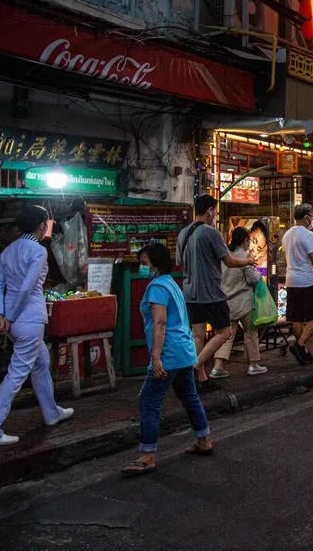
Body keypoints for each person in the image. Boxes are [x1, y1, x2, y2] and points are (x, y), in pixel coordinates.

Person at [0, 205, 73, 447]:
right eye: (47, 224)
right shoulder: (38, 251)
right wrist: (8, 316)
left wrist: (1, 314)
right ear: (41, 225)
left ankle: (51, 412)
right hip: (29, 319)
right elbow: (27, 288)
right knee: (16, 376)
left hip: (13, 322)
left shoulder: (8, 251)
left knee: (40, 362)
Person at [123, 243, 212, 475]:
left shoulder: (157, 288)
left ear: (155, 264)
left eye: (144, 264)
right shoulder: (172, 283)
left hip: (169, 353)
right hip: (184, 351)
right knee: (189, 396)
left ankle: (148, 455)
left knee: (149, 401)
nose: (142, 268)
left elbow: (160, 323)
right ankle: (204, 440)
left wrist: (156, 357)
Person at [176, 195, 254, 392]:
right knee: (224, 331)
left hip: (189, 291)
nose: (215, 214)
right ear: (210, 210)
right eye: (215, 211)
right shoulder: (211, 233)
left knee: (198, 334)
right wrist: (248, 261)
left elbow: (179, 262)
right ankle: (194, 366)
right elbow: (229, 261)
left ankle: (201, 380)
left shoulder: (183, 233)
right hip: (211, 291)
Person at [210, 227, 267, 378]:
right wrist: (259, 276)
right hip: (244, 302)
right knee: (251, 332)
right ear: (244, 241)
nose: (250, 242)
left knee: (226, 336)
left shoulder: (225, 256)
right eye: (249, 240)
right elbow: (252, 278)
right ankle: (253, 364)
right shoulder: (245, 256)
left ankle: (218, 367)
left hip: (226, 302)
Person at [282, 203, 313, 365]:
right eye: (312, 216)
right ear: (306, 218)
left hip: (291, 280)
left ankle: (303, 351)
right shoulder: (308, 235)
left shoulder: (287, 235)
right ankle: (300, 344)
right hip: (307, 281)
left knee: (297, 318)